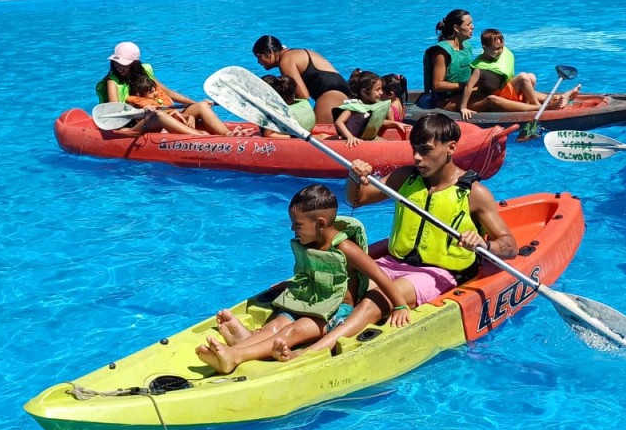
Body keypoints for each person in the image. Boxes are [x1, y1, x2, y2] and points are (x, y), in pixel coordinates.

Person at [274, 113, 518, 361]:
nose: (417, 158)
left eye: (425, 150)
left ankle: (311, 353)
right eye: (414, 150)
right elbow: (357, 199)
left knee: (374, 299)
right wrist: (355, 177)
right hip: (392, 263)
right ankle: (286, 333)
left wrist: (482, 243)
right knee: (343, 284)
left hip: (436, 274)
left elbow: (509, 246)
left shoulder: (474, 193)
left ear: (451, 148)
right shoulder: (406, 178)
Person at [195, 184, 411, 374]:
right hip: (308, 302)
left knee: (291, 331)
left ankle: (236, 356)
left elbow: (378, 275)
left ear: (319, 223)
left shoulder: (346, 248)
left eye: (297, 224)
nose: (292, 229)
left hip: (333, 314)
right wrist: (289, 285)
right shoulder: (310, 243)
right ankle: (239, 347)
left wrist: (400, 305)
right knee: (276, 324)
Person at [96, 41, 234, 136]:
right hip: (134, 124)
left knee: (201, 105)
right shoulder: (112, 81)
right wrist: (141, 112)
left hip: (155, 114)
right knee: (158, 115)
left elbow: (167, 92)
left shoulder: (145, 71)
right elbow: (117, 109)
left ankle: (227, 134)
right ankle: (203, 140)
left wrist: (193, 103)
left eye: (124, 64)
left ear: (135, 63)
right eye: (117, 62)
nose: (120, 67)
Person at [459, 28, 580, 119]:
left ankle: (561, 97)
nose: (500, 51)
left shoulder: (498, 54)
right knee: (523, 77)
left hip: (506, 90)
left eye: (501, 47)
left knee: (531, 76)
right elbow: (469, 86)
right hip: (501, 96)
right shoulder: (479, 67)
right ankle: (539, 107)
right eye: (496, 49)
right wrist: (463, 107)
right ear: (484, 48)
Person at [252, 35, 353, 124]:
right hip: (344, 93)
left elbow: (303, 96)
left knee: (319, 136)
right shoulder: (296, 53)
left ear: (270, 52)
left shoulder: (286, 61)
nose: (258, 62)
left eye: (259, 57)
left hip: (330, 96)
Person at [332, 69, 405, 147]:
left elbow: (376, 121)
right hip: (353, 139)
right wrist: (350, 137)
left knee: (389, 146)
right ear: (364, 92)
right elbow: (339, 122)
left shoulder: (373, 105)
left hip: (370, 138)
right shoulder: (354, 106)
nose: (381, 92)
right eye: (377, 89)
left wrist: (395, 123)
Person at [423, 9, 475, 110]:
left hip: (463, 94)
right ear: (456, 28)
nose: (472, 27)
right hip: (444, 101)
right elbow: (437, 85)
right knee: (491, 100)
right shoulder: (442, 52)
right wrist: (465, 86)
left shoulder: (467, 47)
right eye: (468, 24)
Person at [260, 74, 317, 139]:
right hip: (307, 129)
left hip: (294, 135)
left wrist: (294, 137)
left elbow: (268, 134)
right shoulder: (304, 103)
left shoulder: (277, 111)